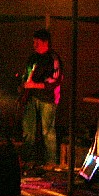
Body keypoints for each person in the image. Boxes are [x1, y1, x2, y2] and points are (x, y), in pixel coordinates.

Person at [20, 28, 63, 170]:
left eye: (37, 42)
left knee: (47, 131)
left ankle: (51, 162)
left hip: (47, 99)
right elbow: (26, 75)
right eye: (34, 42)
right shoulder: (33, 58)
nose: (34, 45)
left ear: (45, 42)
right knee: (28, 131)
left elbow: (55, 80)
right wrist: (24, 85)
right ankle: (27, 160)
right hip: (31, 97)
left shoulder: (53, 59)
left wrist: (35, 85)